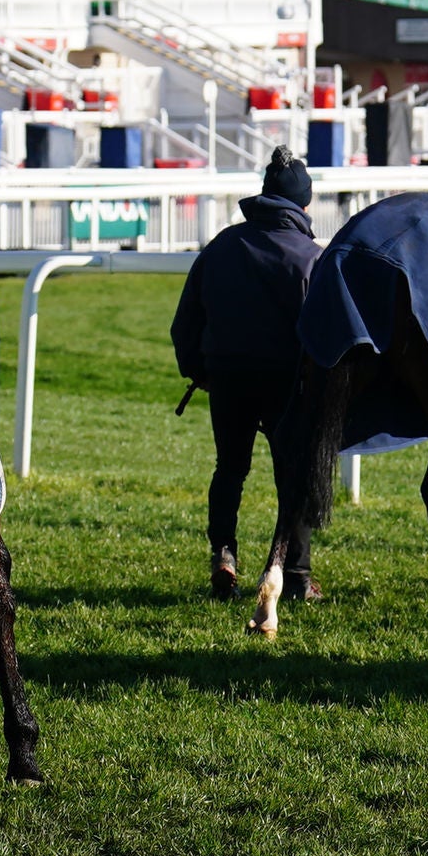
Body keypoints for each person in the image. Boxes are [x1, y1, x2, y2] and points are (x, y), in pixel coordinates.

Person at [167, 147, 325, 602]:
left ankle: (224, 553)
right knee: (291, 476)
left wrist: (202, 371)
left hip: (228, 379)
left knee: (230, 469)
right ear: (303, 204)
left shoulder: (221, 246)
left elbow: (184, 326)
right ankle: (295, 576)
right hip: (286, 386)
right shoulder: (311, 259)